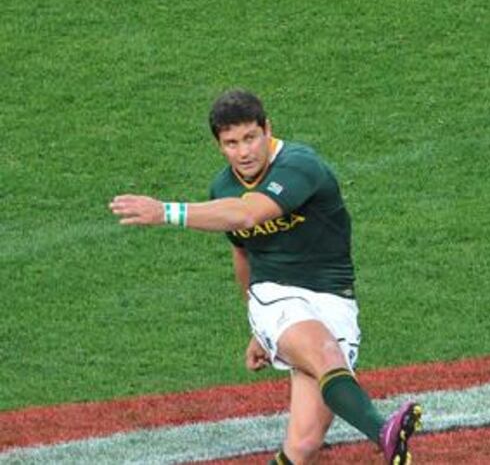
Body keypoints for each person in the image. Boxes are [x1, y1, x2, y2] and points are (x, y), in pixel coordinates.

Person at [109, 89, 422, 465]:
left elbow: (248, 215)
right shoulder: (222, 190)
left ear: (267, 130)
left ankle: (378, 434)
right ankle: (384, 433)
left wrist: (165, 212)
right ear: (218, 145)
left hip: (334, 298)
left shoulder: (299, 165)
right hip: (276, 296)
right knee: (325, 354)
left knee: (304, 443)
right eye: (231, 143)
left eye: (250, 138)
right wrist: (257, 325)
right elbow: (242, 253)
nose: (243, 152)